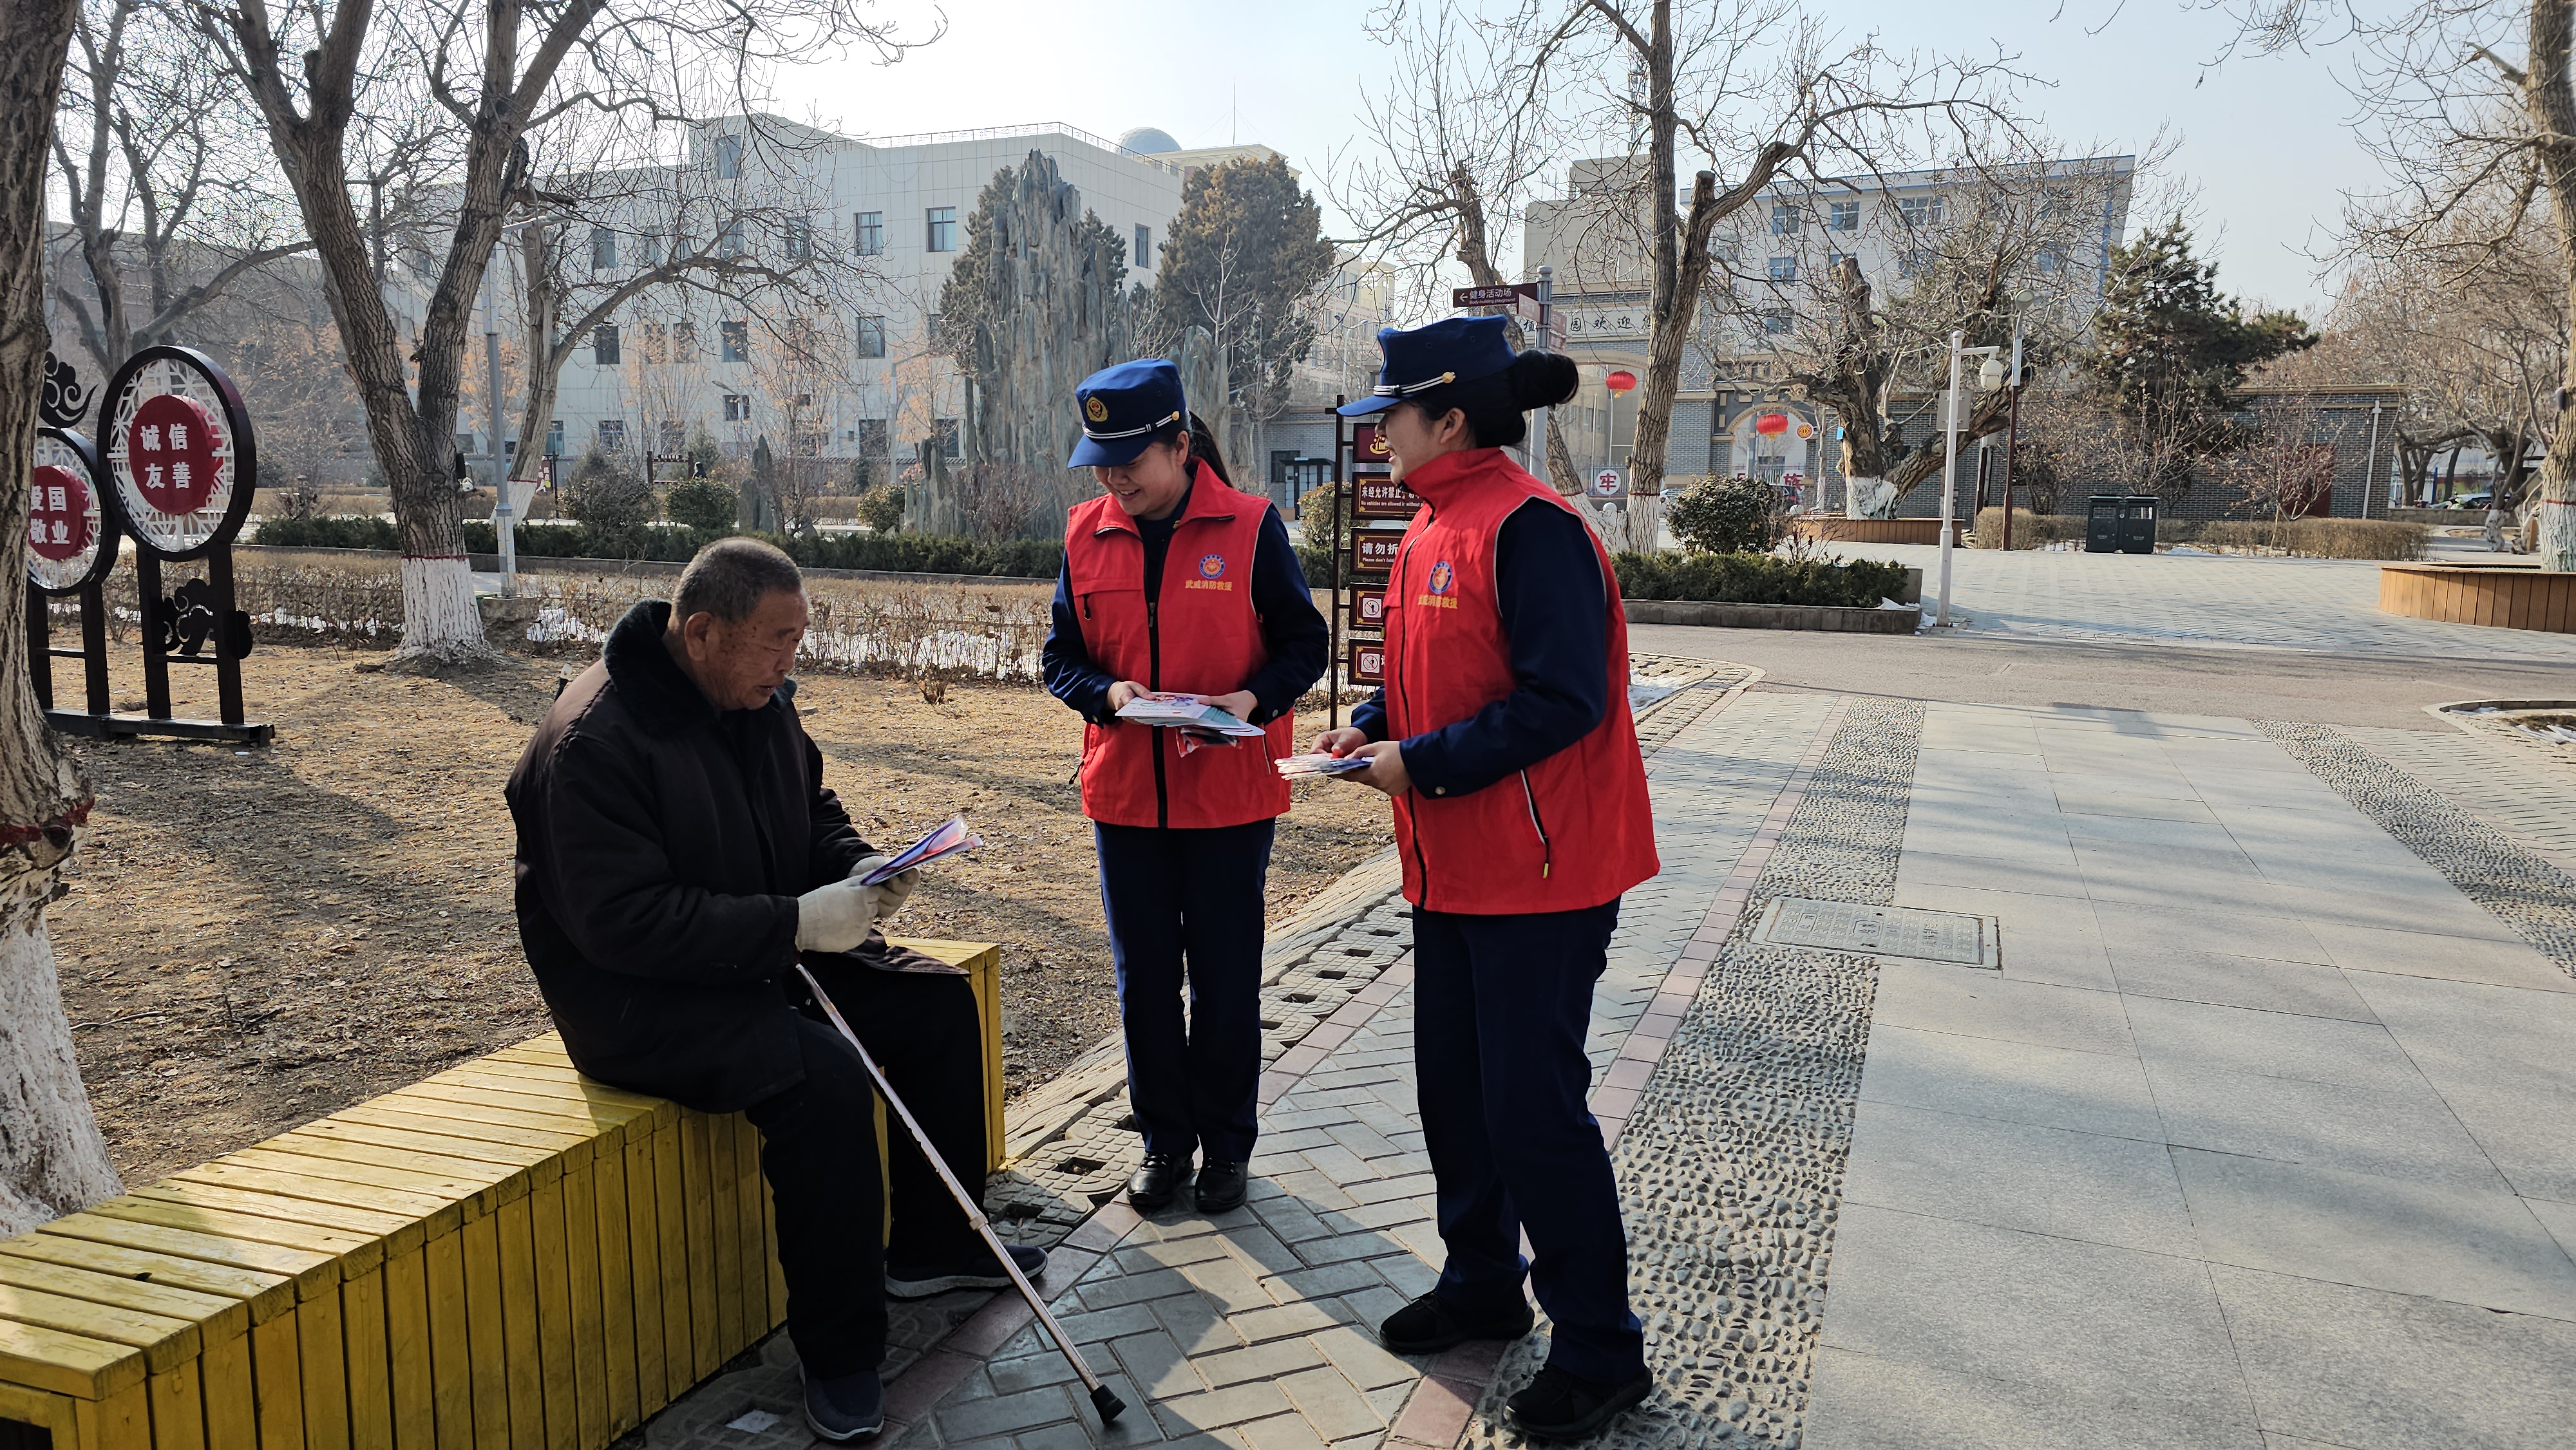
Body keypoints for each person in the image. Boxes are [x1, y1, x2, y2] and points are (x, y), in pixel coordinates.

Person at [506, 538, 1044, 1442]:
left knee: (936, 1002)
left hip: (758, 943)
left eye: (801, 636)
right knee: (821, 1079)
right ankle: (839, 1357)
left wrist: (857, 868)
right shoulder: (592, 742)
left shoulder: (754, 698)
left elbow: (811, 812)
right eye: (777, 639)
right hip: (636, 998)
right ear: (704, 632)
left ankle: (935, 1247)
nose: (792, 659)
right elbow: (624, 925)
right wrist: (795, 925)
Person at [1314, 317, 1659, 1440]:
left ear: (1449, 418)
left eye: (1391, 419)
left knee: (1533, 1112)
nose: (1378, 440)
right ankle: (1481, 1284)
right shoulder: (1432, 526)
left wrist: (1419, 765)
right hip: (1450, 866)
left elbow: (1568, 701)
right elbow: (1437, 682)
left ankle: (1601, 1349)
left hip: (1544, 875)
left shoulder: (1533, 529)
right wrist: (1371, 731)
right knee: (1457, 1095)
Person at [1042, 359, 1329, 1215]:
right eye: (1099, 458)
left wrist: (1251, 698)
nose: (1112, 475)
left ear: (1179, 444)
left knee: (1227, 980)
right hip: (1125, 796)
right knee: (1144, 982)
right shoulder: (1085, 532)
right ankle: (1164, 1143)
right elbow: (1062, 659)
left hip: (1227, 800)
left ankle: (1227, 1150)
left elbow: (1303, 644)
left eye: (1129, 457)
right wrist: (1111, 695)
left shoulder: (1248, 528)